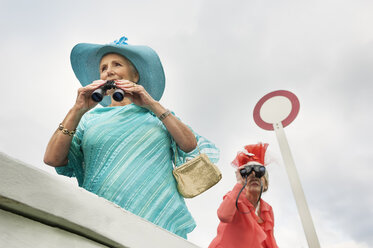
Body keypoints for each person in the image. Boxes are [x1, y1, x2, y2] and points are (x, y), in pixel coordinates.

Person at [43, 36, 219, 239]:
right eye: (103, 68)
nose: (108, 71)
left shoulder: (156, 117)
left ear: (135, 75)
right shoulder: (88, 120)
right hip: (101, 220)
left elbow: (189, 145)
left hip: (156, 222)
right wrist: (77, 109)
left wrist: (152, 104)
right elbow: (52, 159)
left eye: (116, 64)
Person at [209, 143, 278, 248]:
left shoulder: (267, 209)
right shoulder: (234, 198)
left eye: (259, 175)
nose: (254, 176)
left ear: (266, 185)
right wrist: (240, 182)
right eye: (249, 175)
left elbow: (269, 241)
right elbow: (223, 215)